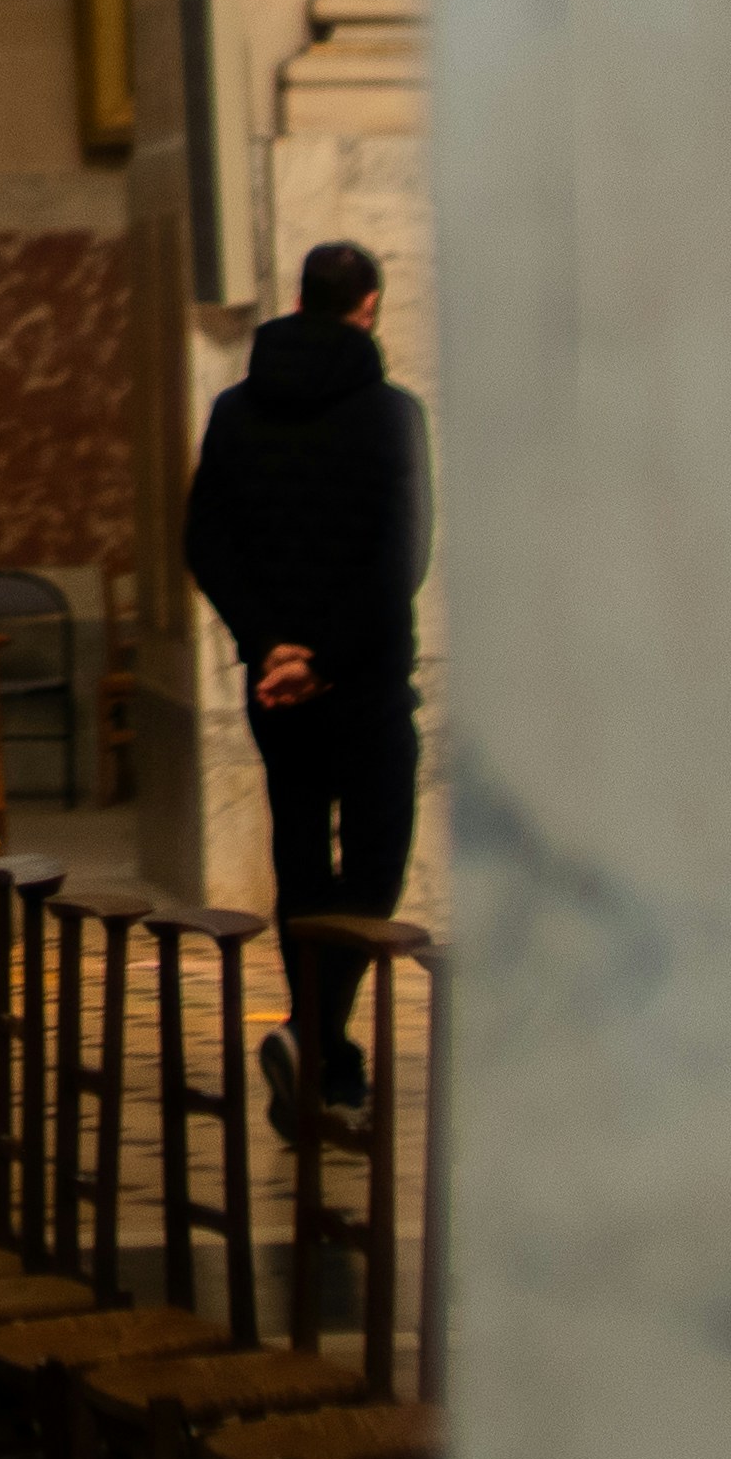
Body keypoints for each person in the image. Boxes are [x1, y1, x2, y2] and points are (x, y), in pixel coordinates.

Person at [180, 236, 429, 1129]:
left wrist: (269, 645)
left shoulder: (234, 410)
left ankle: (319, 1052)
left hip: (276, 691)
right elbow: (401, 554)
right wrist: (322, 656)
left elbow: (206, 540)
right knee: (375, 862)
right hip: (362, 682)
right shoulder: (390, 414)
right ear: (368, 307)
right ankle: (319, 1041)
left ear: (299, 299)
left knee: (300, 862)